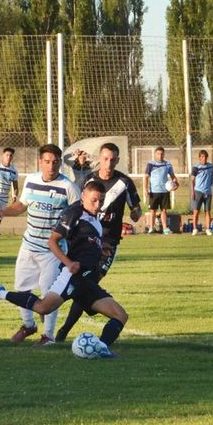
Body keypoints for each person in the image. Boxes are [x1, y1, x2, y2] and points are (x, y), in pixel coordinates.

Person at [0, 181, 126, 358]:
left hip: (88, 282)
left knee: (120, 315)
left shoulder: (95, 219)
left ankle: (101, 349)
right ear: (83, 196)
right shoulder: (73, 214)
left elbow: (87, 243)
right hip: (72, 277)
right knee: (42, 308)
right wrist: (69, 263)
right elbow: (52, 241)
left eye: (101, 201)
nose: (98, 205)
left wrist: (101, 248)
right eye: (94, 200)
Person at [0, 144, 80, 346]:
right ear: (40, 162)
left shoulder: (68, 187)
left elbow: (77, 215)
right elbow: (21, 205)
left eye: (55, 162)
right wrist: (1, 212)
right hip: (29, 245)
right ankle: (28, 325)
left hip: (53, 251)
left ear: (59, 163)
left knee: (50, 294)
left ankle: (48, 336)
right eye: (47, 162)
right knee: (21, 289)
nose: (51, 166)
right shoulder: (31, 180)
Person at [55, 142, 142, 342]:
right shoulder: (89, 180)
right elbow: (76, 204)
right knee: (82, 285)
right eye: (105, 159)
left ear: (118, 160)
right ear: (100, 159)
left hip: (107, 245)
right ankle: (61, 326)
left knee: (88, 283)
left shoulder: (124, 182)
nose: (109, 163)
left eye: (113, 159)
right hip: (83, 241)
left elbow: (135, 208)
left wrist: (136, 213)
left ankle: (64, 331)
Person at [144, 146, 177, 234]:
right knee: (153, 210)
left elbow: (173, 176)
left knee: (164, 210)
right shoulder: (150, 164)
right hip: (154, 191)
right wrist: (145, 189)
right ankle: (151, 228)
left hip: (165, 191)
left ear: (164, 154)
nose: (160, 155)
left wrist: (175, 184)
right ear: (155, 154)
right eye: (158, 154)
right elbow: (146, 177)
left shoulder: (167, 164)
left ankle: (165, 228)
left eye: (162, 154)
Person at [190, 149, 213, 236]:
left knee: (207, 211)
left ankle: (208, 229)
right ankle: (195, 228)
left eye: (205, 157)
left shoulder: (210, 166)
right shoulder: (196, 167)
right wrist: (193, 191)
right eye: (202, 157)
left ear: (207, 157)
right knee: (196, 211)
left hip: (208, 192)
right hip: (198, 191)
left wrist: (211, 183)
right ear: (199, 158)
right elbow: (192, 180)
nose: (204, 158)